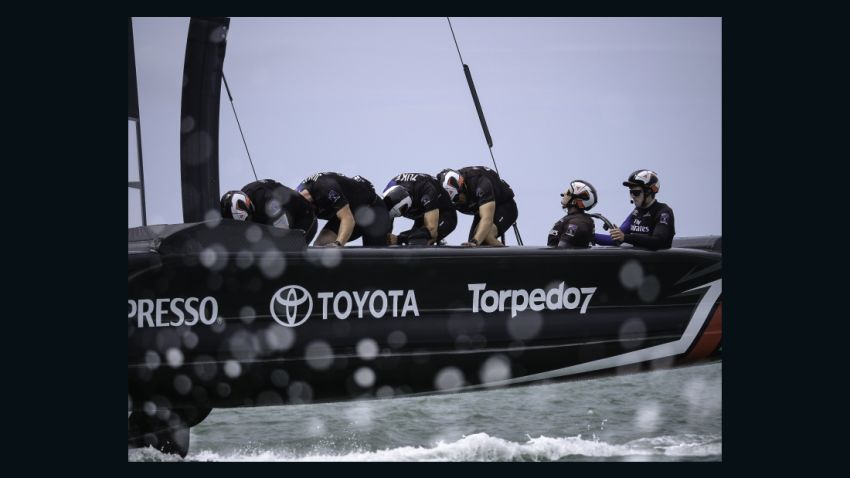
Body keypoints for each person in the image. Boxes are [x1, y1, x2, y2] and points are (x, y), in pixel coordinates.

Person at [296, 172, 391, 247]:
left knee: (373, 260)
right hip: (351, 211)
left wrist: (338, 244)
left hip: (372, 210)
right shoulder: (296, 199)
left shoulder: (326, 188)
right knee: (321, 245)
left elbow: (348, 219)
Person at [437, 166, 518, 247]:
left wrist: (475, 241)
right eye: (453, 201)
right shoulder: (445, 195)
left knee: (485, 237)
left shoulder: (480, 182)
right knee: (473, 245)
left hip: (504, 206)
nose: (457, 201)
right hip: (481, 210)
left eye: (457, 197)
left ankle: (507, 259)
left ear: (462, 186)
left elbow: (487, 218)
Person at [595, 169, 675, 250]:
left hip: (659, 261)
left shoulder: (663, 212)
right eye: (631, 192)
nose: (633, 196)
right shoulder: (636, 212)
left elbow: (658, 241)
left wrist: (625, 237)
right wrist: (589, 236)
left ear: (648, 192)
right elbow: (616, 239)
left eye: (636, 192)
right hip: (640, 261)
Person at [220, 179, 318, 244]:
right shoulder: (245, 194)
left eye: (249, 219)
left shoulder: (268, 203)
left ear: (248, 203)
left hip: (305, 218)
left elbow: (283, 233)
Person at [382, 173, 458, 246]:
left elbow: (431, 231)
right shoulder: (390, 188)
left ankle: (437, 243)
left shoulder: (427, 190)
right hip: (422, 213)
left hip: (444, 213)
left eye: (403, 210)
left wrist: (399, 239)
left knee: (421, 238)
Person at [548, 179, 597, 248]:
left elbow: (562, 251)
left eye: (568, 192)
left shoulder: (577, 222)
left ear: (575, 200)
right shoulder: (576, 219)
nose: (564, 193)